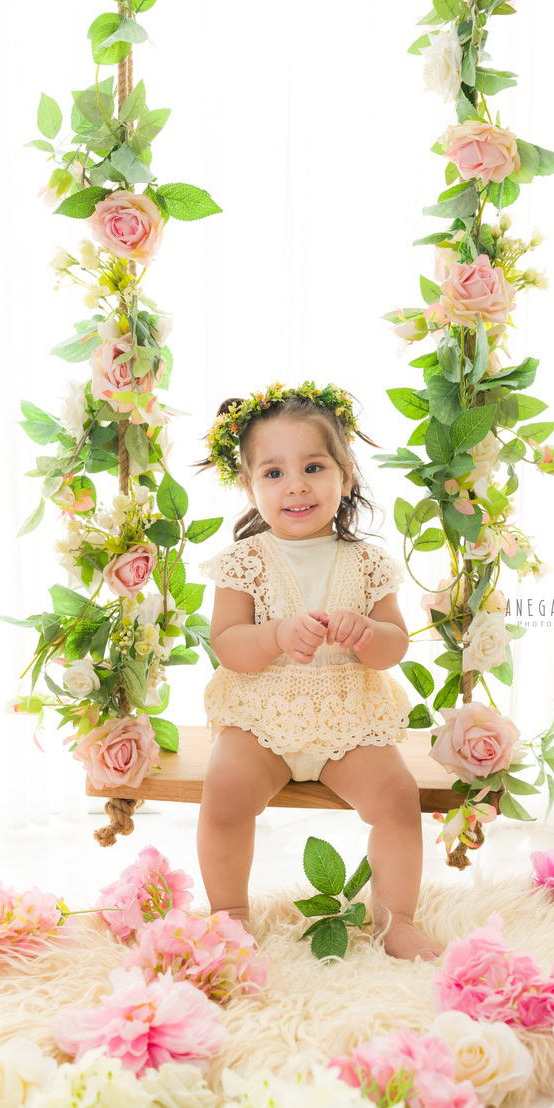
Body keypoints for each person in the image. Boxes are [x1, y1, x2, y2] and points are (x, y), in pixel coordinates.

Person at [189, 382, 444, 962]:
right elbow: (228, 644)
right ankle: (230, 918)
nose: (296, 485)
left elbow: (394, 645)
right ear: (248, 486)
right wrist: (275, 635)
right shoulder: (243, 562)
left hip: (347, 715)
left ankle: (396, 919)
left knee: (397, 797)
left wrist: (367, 634)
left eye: (313, 466)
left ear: (346, 474)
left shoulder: (369, 561)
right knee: (224, 791)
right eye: (273, 473)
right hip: (261, 715)